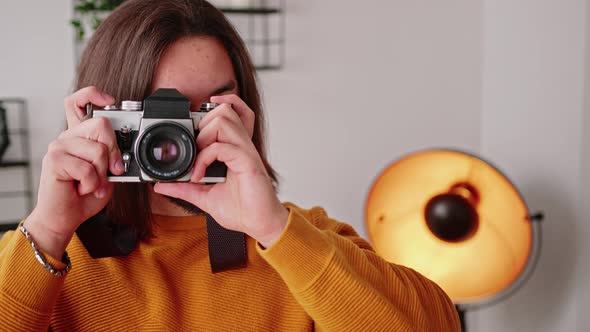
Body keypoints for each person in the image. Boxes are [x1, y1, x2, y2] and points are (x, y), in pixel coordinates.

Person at [0, 0, 460, 331]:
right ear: (107, 119)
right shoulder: (44, 257)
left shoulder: (296, 240)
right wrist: (46, 231)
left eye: (209, 110)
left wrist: (273, 228)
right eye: (164, 113)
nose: (181, 137)